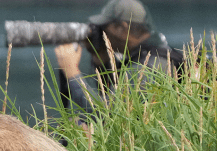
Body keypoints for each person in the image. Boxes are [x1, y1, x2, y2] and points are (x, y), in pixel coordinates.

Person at [53, 0, 182, 126]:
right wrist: (101, 58)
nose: (102, 32)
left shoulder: (148, 66)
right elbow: (112, 95)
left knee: (77, 125)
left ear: (122, 28)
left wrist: (71, 72)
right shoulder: (150, 52)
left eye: (104, 27)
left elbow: (107, 113)